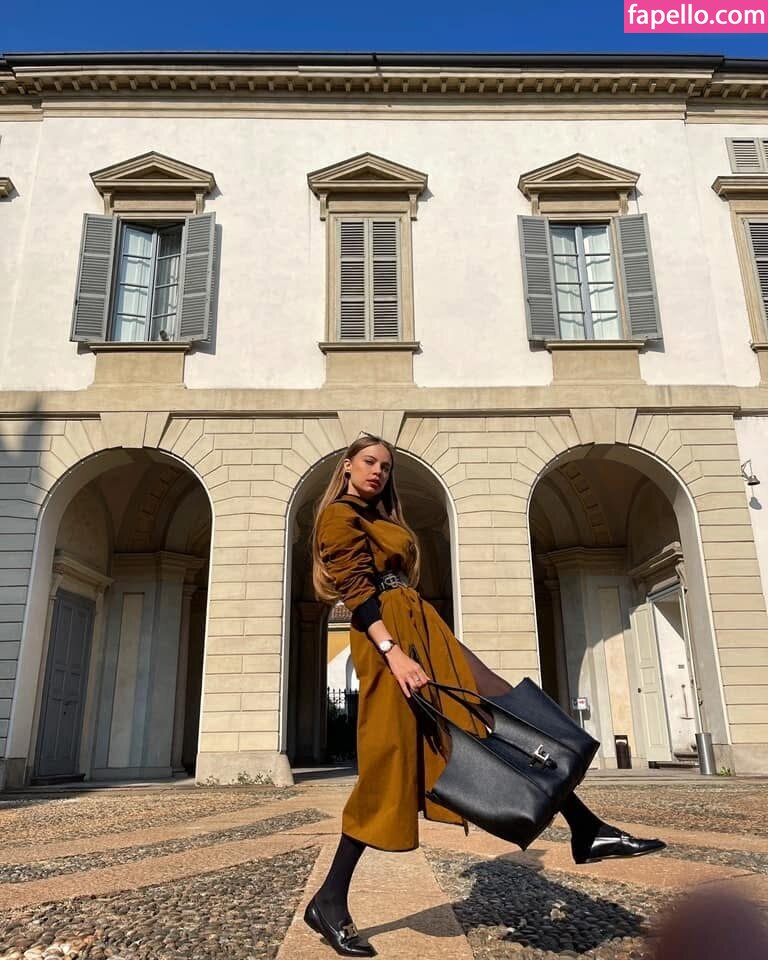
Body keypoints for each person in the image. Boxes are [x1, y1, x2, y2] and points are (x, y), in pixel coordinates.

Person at [303, 434, 666, 958]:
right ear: (347, 466)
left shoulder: (381, 516)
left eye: (385, 465)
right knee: (390, 763)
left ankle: (587, 827)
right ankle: (329, 899)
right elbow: (357, 592)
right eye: (369, 462)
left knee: (499, 714)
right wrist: (393, 653)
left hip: (422, 628)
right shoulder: (340, 515)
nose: (378, 471)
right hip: (390, 641)